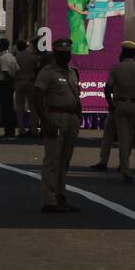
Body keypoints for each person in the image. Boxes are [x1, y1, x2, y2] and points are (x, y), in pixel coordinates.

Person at [34, 37, 83, 212]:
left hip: (71, 118)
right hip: (55, 116)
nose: (65, 56)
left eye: (68, 53)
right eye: (62, 53)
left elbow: (77, 95)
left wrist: (79, 114)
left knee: (65, 161)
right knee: (52, 161)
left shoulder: (71, 72)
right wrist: (45, 120)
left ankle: (60, 196)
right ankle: (49, 199)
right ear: (55, 54)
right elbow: (38, 97)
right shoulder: (47, 72)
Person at [104, 41, 135, 184]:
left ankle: (126, 171)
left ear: (122, 52)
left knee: (123, 140)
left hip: (120, 104)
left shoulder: (116, 69)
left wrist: (111, 104)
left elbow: (107, 89)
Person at [13, 39, 39, 137]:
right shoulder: (33, 57)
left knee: (20, 106)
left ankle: (21, 129)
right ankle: (34, 129)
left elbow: (13, 70)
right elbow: (37, 68)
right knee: (33, 106)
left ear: (18, 47)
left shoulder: (16, 58)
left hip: (20, 81)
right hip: (31, 81)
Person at [0, 38, 19, 138]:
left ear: (2, 45)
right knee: (10, 108)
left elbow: (5, 72)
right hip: (11, 84)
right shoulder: (12, 57)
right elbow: (18, 69)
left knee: (5, 108)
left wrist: (10, 79)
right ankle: (11, 130)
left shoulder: (2, 58)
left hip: (4, 84)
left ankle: (8, 131)